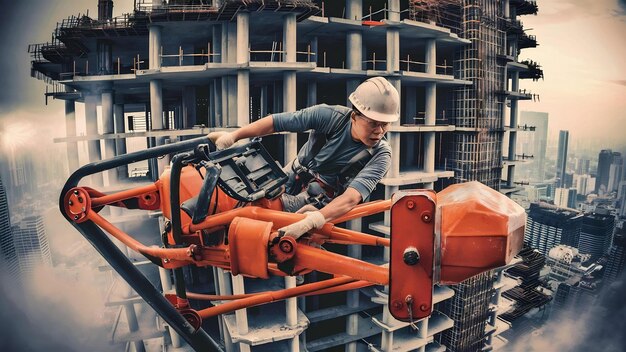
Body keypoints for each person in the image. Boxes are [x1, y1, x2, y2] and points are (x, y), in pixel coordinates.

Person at [209, 76, 399, 240]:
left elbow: (352, 197)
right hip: (294, 172)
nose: (380, 131)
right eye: (373, 123)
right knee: (247, 194)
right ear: (354, 116)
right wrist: (234, 136)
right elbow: (278, 123)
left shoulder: (381, 154)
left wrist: (316, 219)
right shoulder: (330, 117)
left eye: (385, 125)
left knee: (267, 213)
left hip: (319, 198)